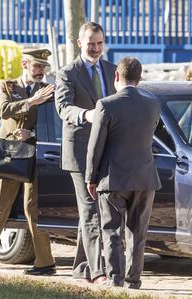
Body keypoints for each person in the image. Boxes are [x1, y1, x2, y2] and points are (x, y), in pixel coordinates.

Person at [0, 48, 56, 275]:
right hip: (9, 155)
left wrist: (32, 135)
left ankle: (45, 263)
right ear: (24, 64)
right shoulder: (8, 86)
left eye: (43, 67)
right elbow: (3, 110)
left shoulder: (49, 90)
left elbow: (53, 124)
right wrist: (31, 101)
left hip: (34, 153)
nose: (40, 71)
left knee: (34, 208)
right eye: (36, 66)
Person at [85, 57, 162, 289]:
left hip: (113, 178)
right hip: (145, 177)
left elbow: (95, 145)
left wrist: (91, 176)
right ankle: (134, 280)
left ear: (116, 76)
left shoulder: (106, 104)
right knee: (138, 234)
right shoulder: (153, 103)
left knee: (111, 232)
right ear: (140, 78)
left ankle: (116, 279)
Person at [55, 21, 116, 283]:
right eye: (91, 43)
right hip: (80, 152)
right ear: (79, 43)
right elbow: (63, 108)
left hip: (107, 150)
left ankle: (81, 267)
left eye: (100, 43)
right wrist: (86, 115)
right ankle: (97, 271)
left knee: (90, 211)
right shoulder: (67, 73)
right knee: (92, 209)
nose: (96, 48)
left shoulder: (112, 70)